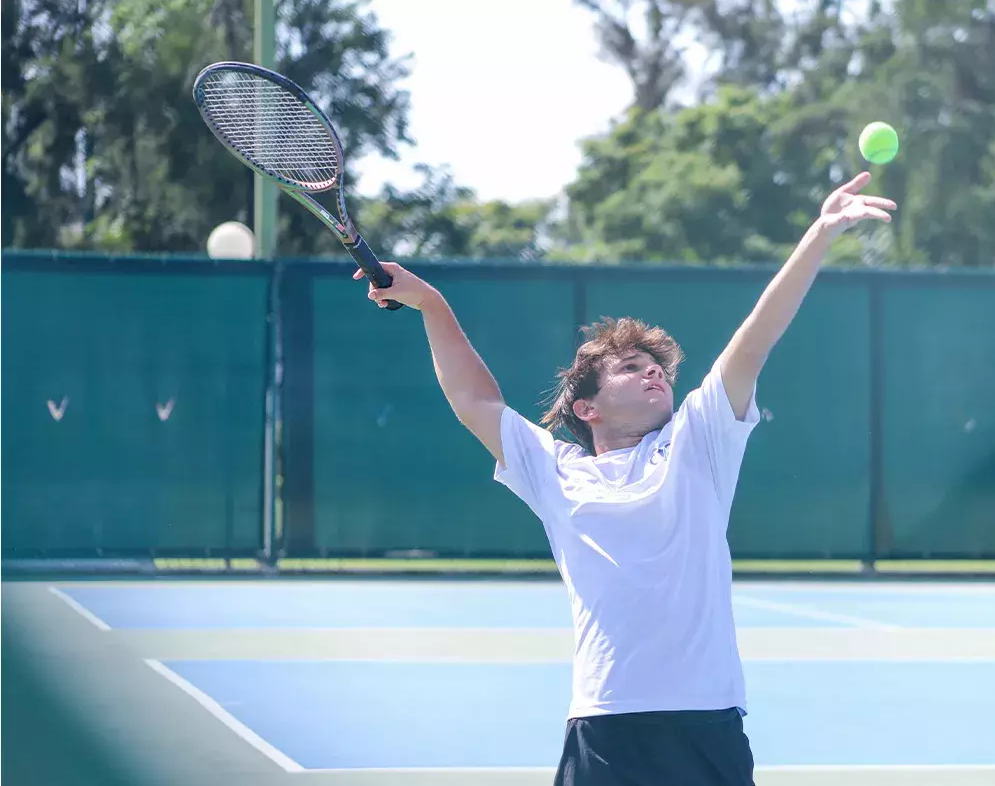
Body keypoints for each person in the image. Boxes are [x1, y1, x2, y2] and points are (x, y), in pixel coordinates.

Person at [352, 173, 896, 785]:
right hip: (605, 725)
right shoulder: (554, 469)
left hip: (705, 724)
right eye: (631, 368)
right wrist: (431, 302)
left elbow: (753, 342)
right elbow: (475, 401)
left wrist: (819, 236)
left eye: (657, 367)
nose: (653, 374)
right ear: (587, 407)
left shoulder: (699, 442)